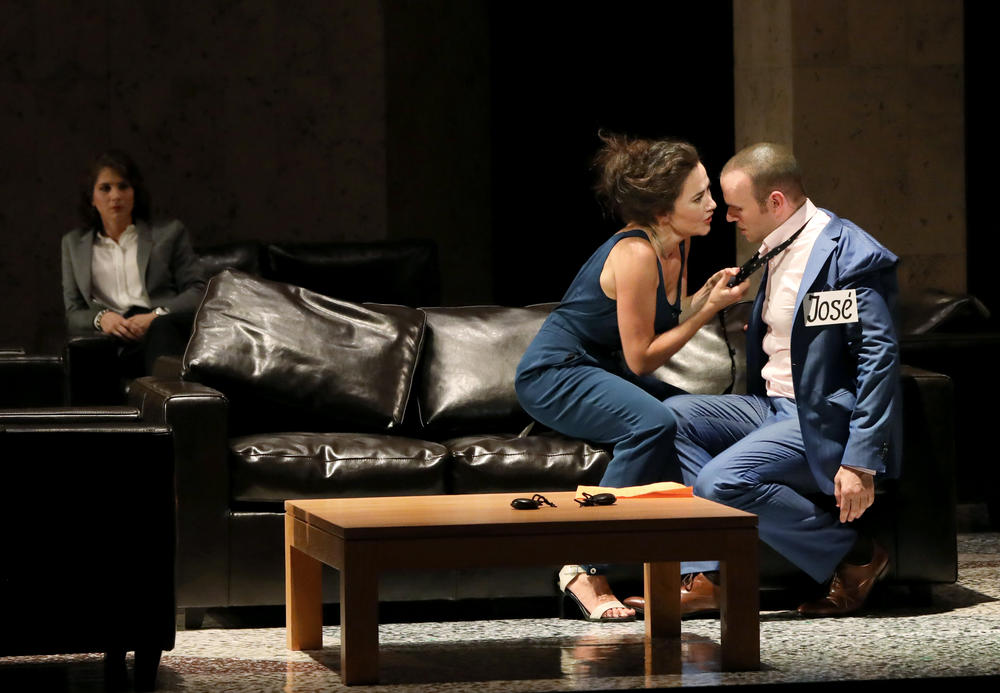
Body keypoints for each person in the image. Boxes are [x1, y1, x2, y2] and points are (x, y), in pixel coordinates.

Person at [627, 142, 901, 618]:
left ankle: (854, 557)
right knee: (668, 419)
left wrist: (861, 461)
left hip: (819, 417)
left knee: (721, 482)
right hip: (772, 407)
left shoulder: (847, 255)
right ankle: (708, 576)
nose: (727, 218)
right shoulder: (775, 246)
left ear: (775, 202)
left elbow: (879, 358)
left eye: (736, 208)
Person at [514, 133, 749, 621]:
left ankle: (696, 572)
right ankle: (583, 567)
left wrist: (700, 302)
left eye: (708, 191)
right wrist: (706, 316)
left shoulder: (677, 248)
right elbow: (642, 358)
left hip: (601, 369)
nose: (713, 204)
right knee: (652, 424)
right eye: (699, 197)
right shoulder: (637, 253)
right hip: (556, 372)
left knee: (686, 415)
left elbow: (659, 320)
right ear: (663, 212)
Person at [61, 150, 205, 377]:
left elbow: (198, 291)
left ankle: (167, 407)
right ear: (91, 197)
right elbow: (73, 311)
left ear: (135, 192)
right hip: (111, 335)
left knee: (162, 329)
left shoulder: (168, 234)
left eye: (123, 186)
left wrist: (157, 315)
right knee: (83, 350)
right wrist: (101, 318)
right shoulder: (73, 244)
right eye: (105, 188)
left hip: (157, 326)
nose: (115, 195)